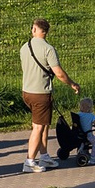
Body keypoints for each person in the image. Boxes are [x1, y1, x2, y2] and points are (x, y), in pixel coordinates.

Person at [19, 18, 74, 174]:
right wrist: (72, 83)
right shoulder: (48, 49)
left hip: (27, 92)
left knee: (43, 125)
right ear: (46, 31)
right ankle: (29, 161)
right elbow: (59, 73)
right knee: (38, 127)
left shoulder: (24, 47)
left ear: (34, 29)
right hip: (41, 93)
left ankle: (44, 156)